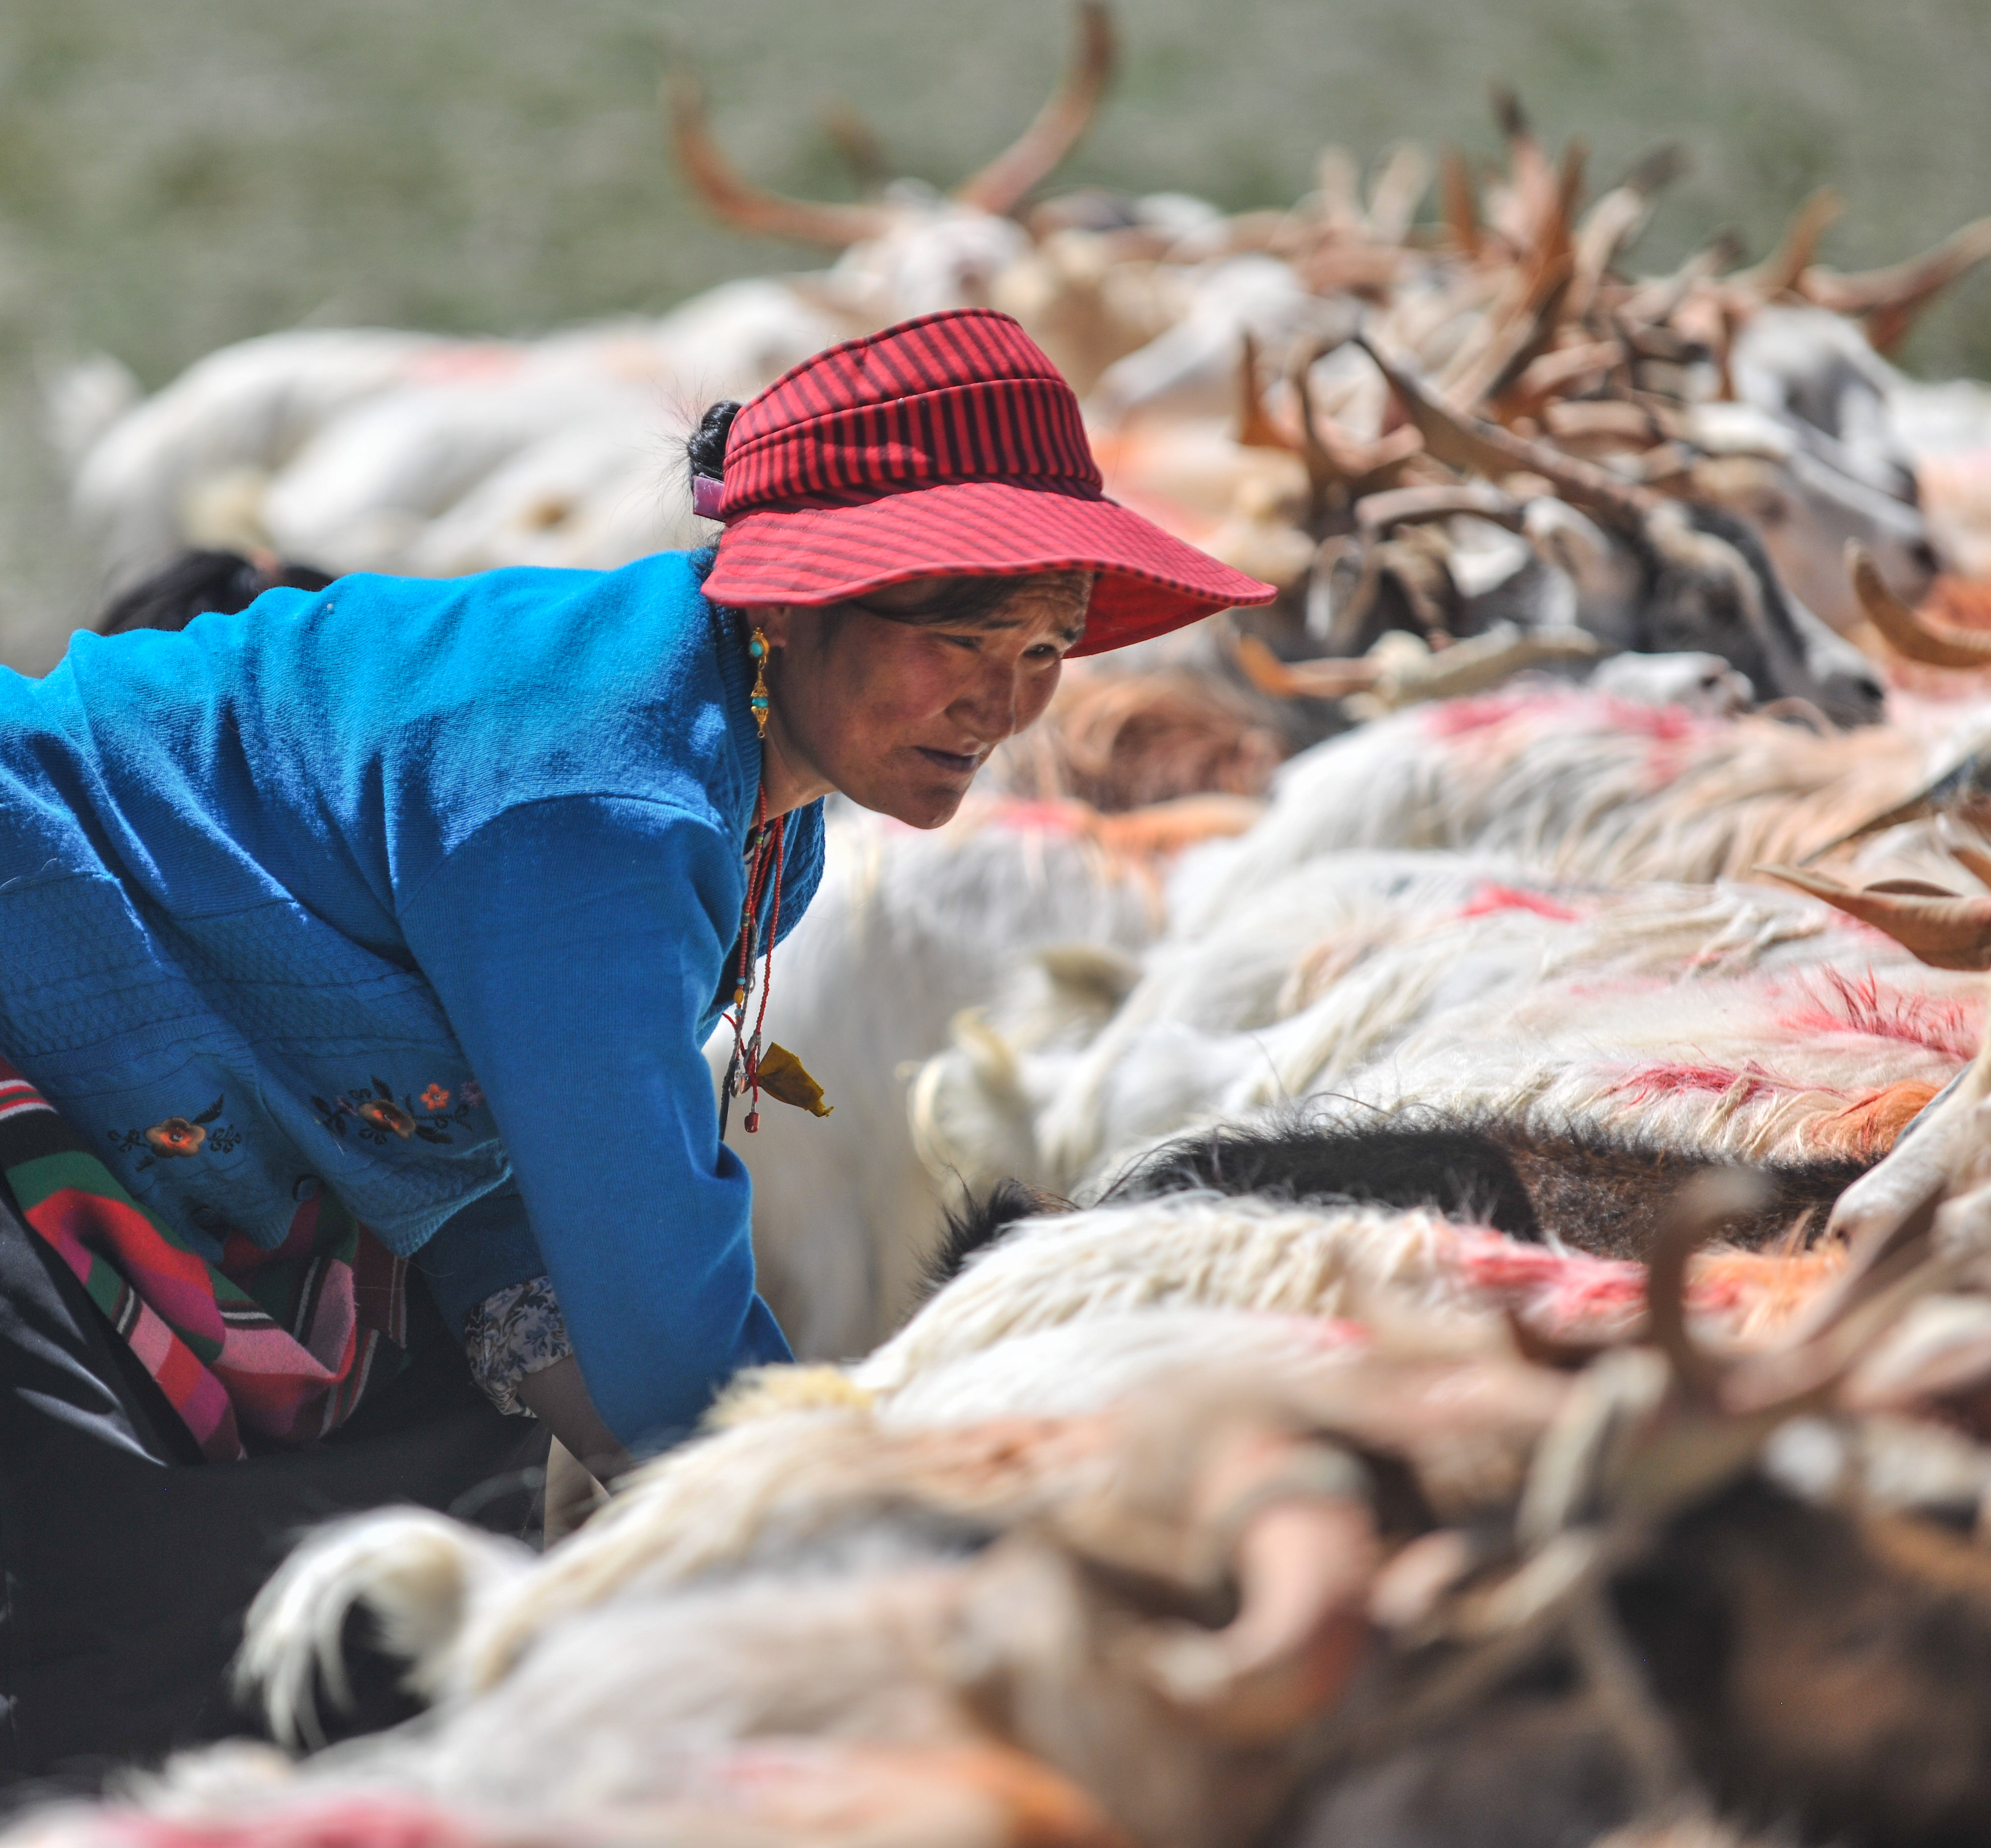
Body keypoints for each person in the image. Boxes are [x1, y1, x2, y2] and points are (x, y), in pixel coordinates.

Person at [0, 309, 1271, 1778]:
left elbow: (505, 1192)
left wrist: (713, 1474)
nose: (1004, 701)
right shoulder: (609, 808)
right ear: (793, 606)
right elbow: (652, 1300)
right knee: (149, 1601)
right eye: (959, 638)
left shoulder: (758, 809)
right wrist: (860, 1574)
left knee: (403, 1546)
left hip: (151, 1073)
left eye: (1045, 645)